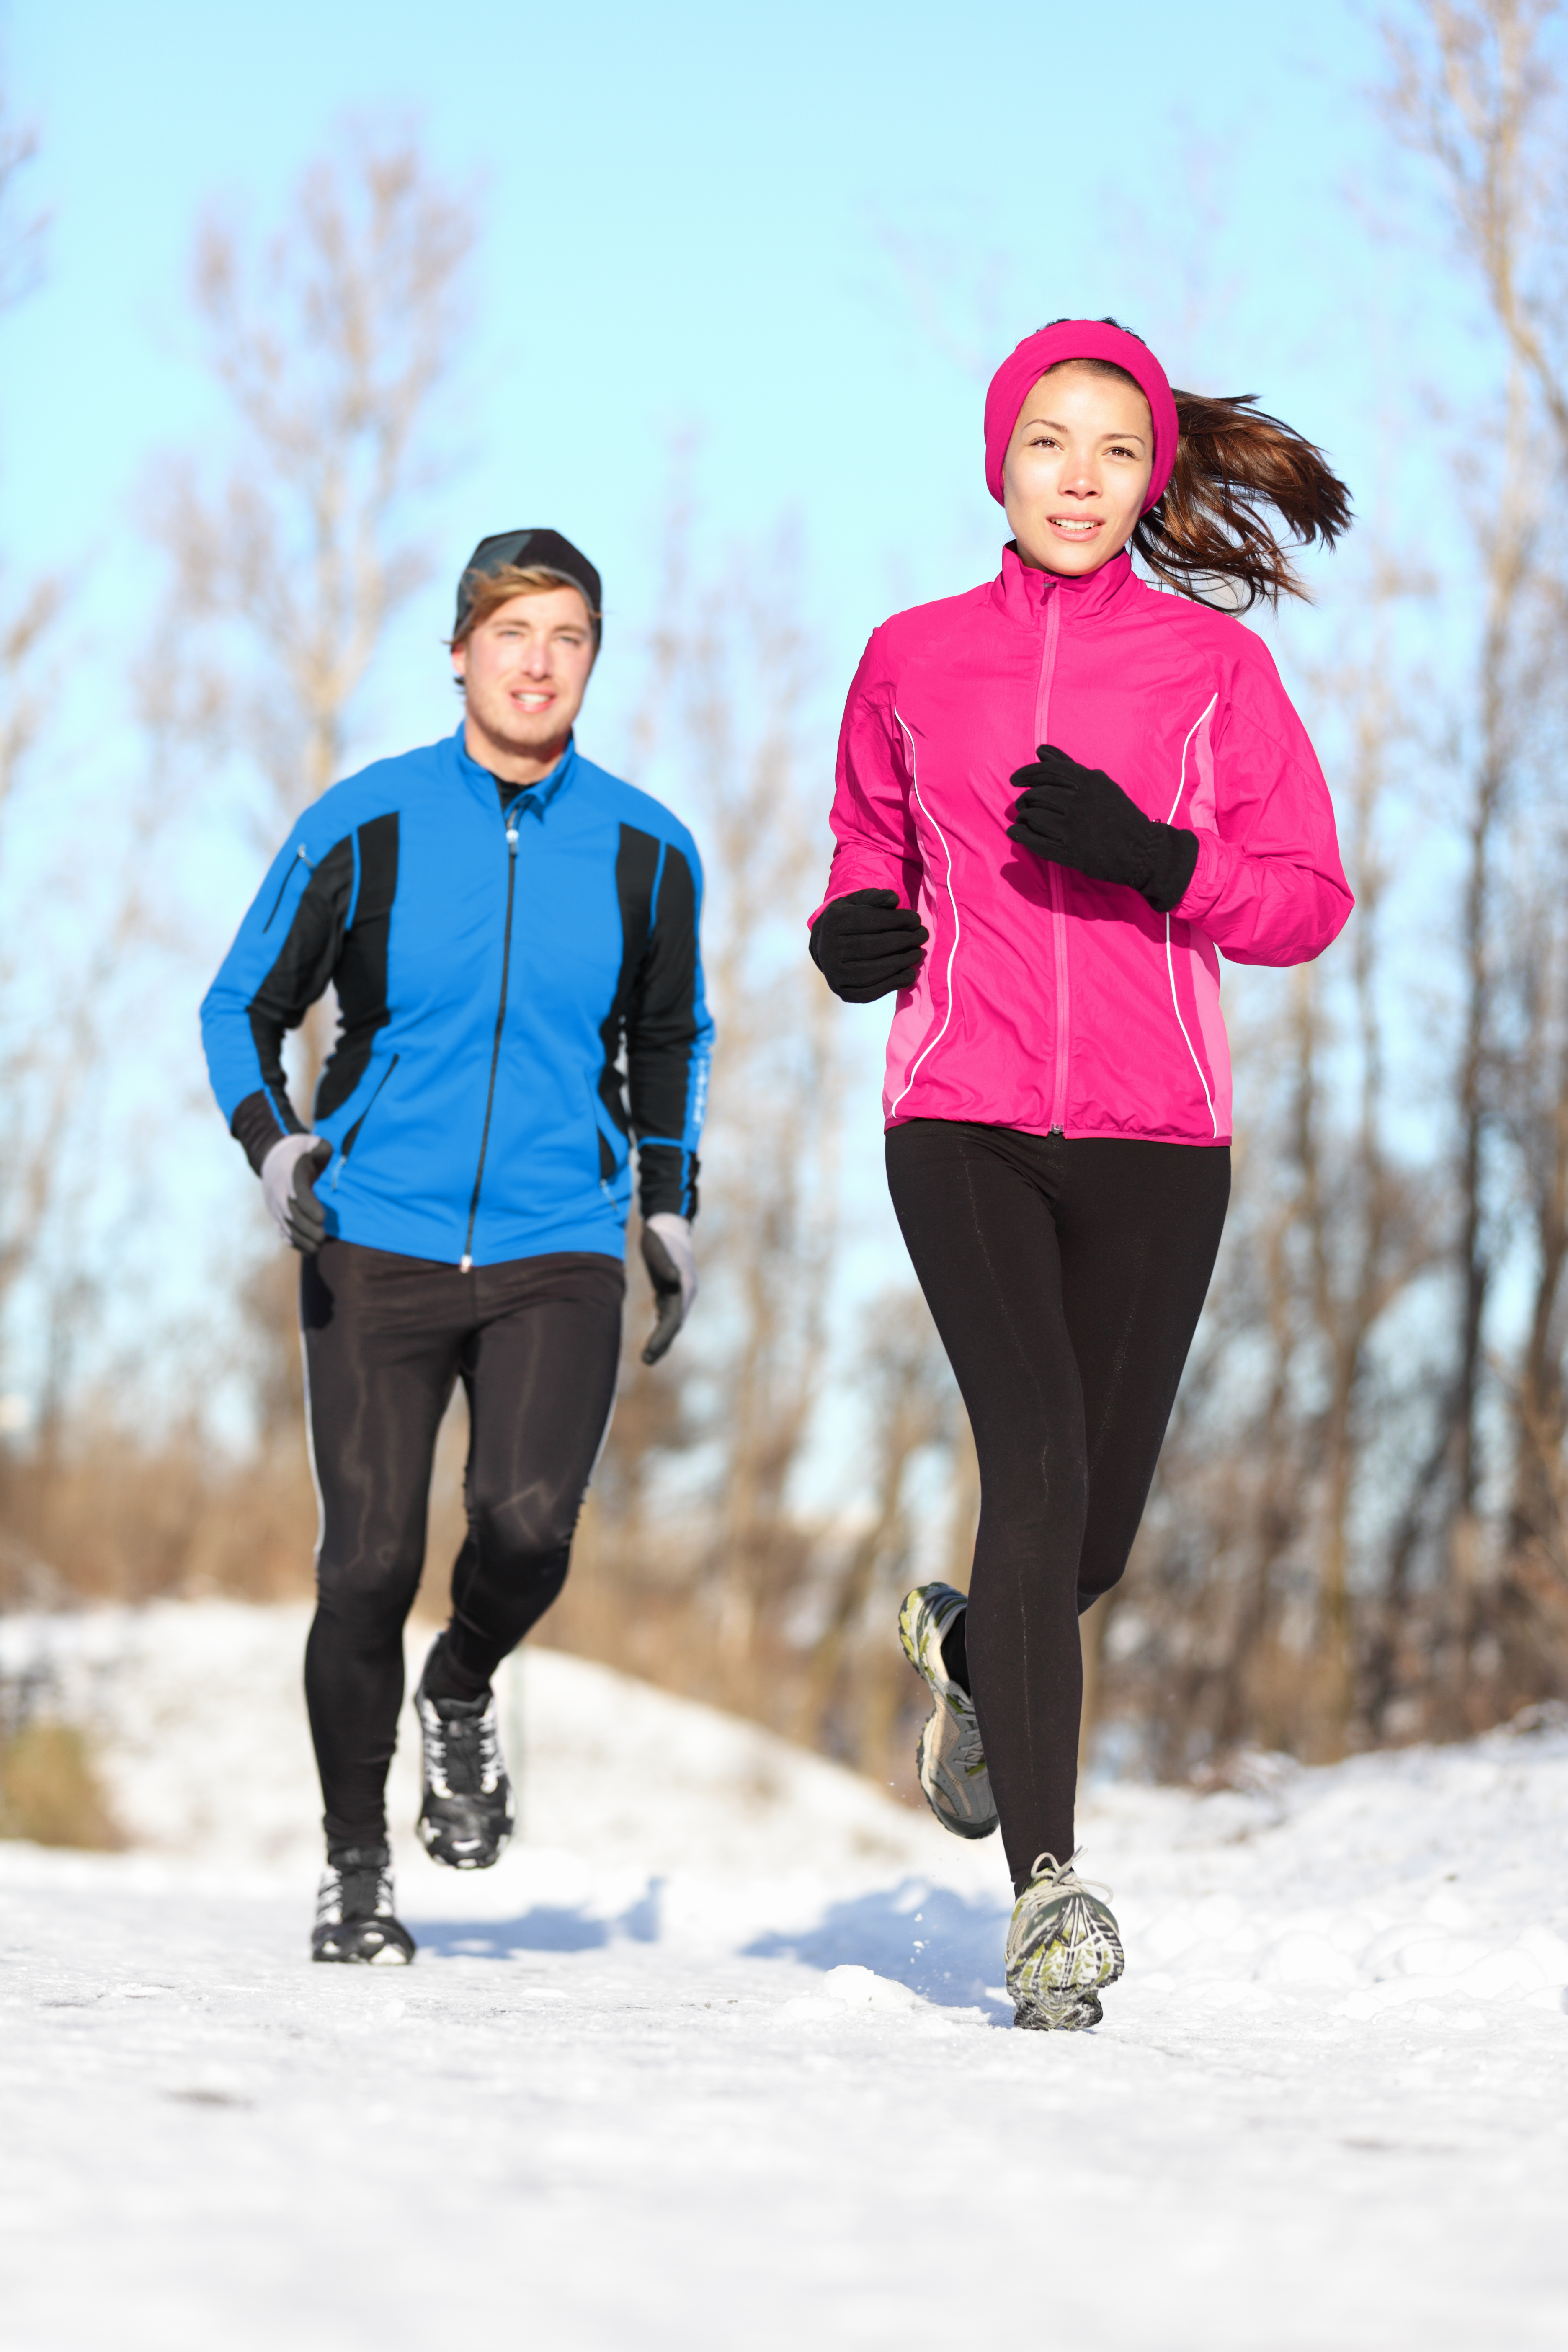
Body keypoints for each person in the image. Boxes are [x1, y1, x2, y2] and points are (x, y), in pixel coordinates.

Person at [810, 320, 1352, 2029]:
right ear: (1002, 458)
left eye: (1115, 451)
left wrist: (1154, 858)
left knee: (1086, 1536)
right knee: (1030, 1458)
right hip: (960, 1112)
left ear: (1151, 478)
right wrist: (850, 936)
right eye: (1050, 443)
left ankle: (978, 1656)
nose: (1081, 477)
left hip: (1158, 1136)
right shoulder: (908, 657)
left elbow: (1307, 898)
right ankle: (1049, 1893)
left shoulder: (1214, 677)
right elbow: (861, 854)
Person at [202, 528, 713, 1964]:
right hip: (377, 1236)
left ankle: (466, 1684)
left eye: (567, 637)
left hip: (558, 1238)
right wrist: (280, 1144)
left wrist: (667, 1207)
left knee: (528, 1526)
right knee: (365, 1564)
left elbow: (671, 1037)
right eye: (511, 633)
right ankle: (356, 1867)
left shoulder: (646, 848)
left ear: (592, 661)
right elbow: (238, 1006)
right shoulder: (364, 824)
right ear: (460, 652)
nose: (538, 661)